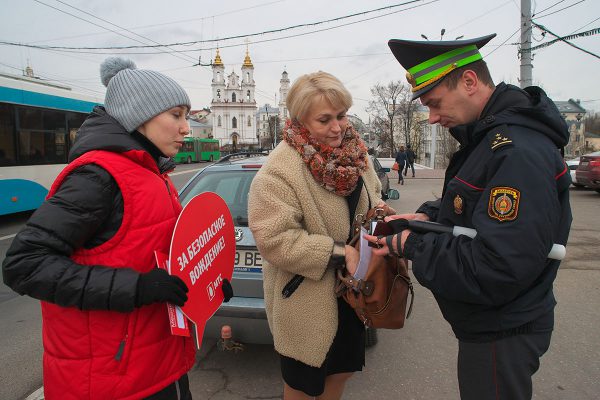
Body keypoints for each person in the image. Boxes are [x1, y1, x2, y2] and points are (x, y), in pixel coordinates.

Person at [2, 57, 232, 399]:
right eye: (176, 115)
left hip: (157, 364)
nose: (186, 127)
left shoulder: (152, 173)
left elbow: (160, 257)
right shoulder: (99, 176)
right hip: (110, 380)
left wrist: (204, 289)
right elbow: (24, 265)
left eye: (186, 116)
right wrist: (136, 288)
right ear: (138, 116)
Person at [366, 34, 572, 399]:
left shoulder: (516, 151)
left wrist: (413, 245)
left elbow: (498, 265)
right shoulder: (488, 141)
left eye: (434, 103)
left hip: (502, 330)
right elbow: (470, 211)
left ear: (469, 82)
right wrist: (424, 216)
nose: (430, 118)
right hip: (493, 324)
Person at [248, 71, 392, 400]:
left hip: (351, 297)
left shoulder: (357, 155)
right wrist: (339, 253)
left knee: (339, 377)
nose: (338, 127)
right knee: (302, 388)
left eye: (341, 115)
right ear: (301, 121)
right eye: (325, 119)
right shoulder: (279, 170)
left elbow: (373, 196)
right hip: (305, 303)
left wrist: (383, 214)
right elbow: (274, 239)